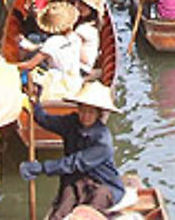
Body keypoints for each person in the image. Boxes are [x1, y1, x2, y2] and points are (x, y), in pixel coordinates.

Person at [20, 81, 126, 218]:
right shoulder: (71, 123)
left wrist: (41, 168)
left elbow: (74, 163)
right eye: (82, 110)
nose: (85, 116)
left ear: (98, 114)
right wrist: (35, 103)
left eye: (90, 112)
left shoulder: (102, 141)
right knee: (60, 212)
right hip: (76, 181)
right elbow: (45, 120)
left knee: (90, 211)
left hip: (103, 184)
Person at [19, 0, 84, 102]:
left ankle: (32, 99)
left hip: (59, 84)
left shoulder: (53, 42)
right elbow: (49, 49)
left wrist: (9, 66)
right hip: (76, 81)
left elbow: (29, 65)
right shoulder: (76, 37)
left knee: (29, 74)